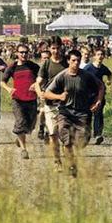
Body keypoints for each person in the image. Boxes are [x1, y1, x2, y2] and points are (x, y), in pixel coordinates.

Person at [45, 49, 104, 177]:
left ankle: (73, 162)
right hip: (65, 113)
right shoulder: (62, 76)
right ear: (68, 61)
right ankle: (71, 165)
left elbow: (100, 86)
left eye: (78, 60)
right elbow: (47, 93)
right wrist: (59, 96)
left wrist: (98, 101)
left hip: (83, 114)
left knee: (80, 142)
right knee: (66, 141)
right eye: (73, 60)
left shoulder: (86, 76)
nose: (76, 63)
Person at [1, 44, 40, 159]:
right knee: (21, 121)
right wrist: (8, 89)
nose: (24, 54)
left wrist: (37, 84)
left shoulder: (33, 66)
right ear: (16, 53)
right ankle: (24, 149)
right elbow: (3, 81)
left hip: (32, 99)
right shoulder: (12, 67)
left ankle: (19, 137)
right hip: (18, 100)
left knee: (30, 126)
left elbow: (42, 77)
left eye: (26, 52)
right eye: (21, 52)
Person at [35, 36, 69, 172]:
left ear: (61, 47)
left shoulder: (67, 64)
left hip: (66, 105)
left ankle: (69, 161)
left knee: (66, 136)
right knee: (53, 135)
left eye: (57, 48)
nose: (55, 51)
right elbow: (38, 82)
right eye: (53, 48)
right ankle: (57, 161)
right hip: (50, 104)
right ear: (49, 49)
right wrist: (39, 92)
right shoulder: (47, 64)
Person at [84, 48, 112, 145]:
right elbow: (81, 76)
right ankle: (86, 135)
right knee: (87, 115)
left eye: (101, 54)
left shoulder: (103, 68)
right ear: (94, 56)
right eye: (98, 54)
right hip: (88, 94)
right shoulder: (88, 68)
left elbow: (109, 74)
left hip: (99, 94)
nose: (100, 56)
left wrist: (109, 81)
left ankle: (98, 135)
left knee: (98, 114)